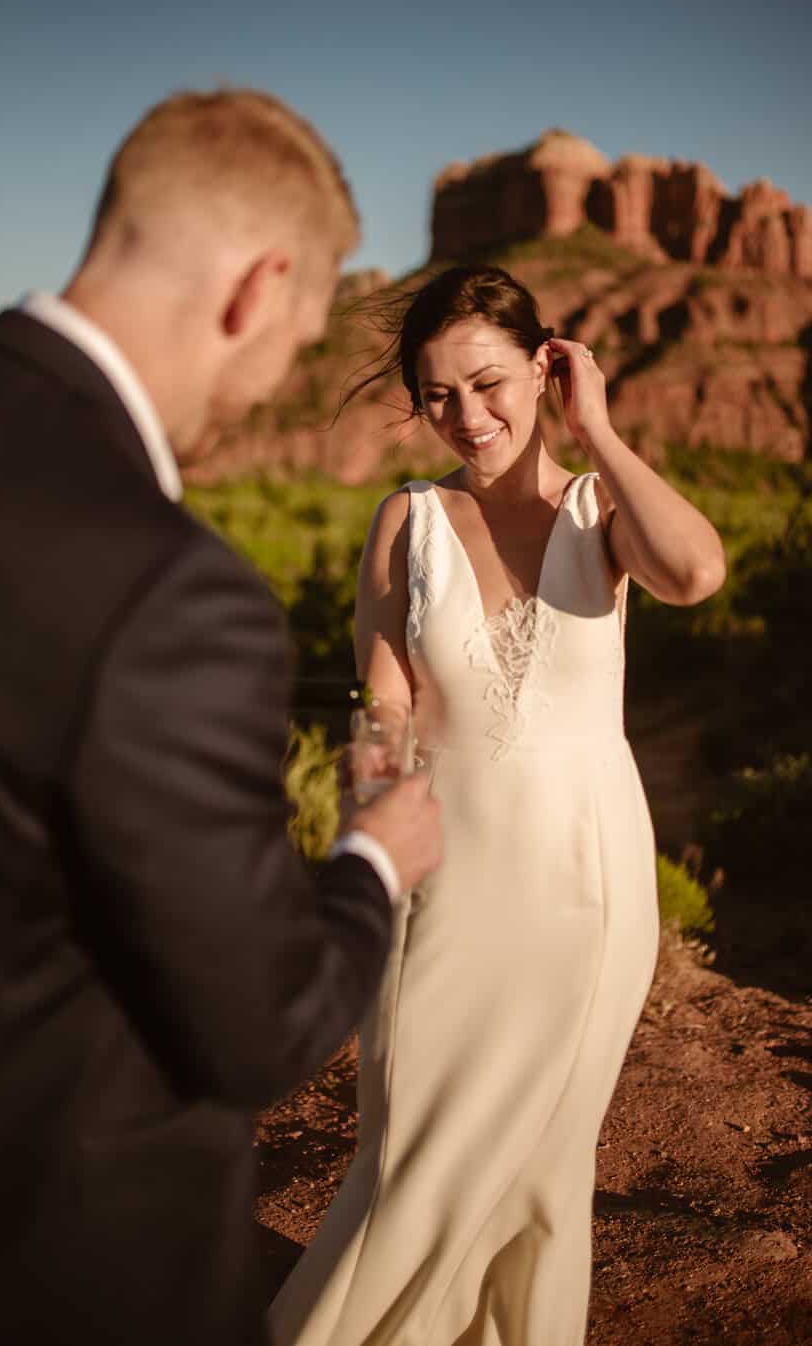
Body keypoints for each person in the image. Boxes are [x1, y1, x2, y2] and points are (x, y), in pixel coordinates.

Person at [0, 89, 442, 1346]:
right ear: (258, 290)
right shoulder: (174, 592)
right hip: (60, 1268)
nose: (261, 393)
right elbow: (258, 1020)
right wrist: (371, 858)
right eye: (292, 338)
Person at [268, 265, 726, 1345]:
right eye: (436, 396)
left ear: (545, 362)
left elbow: (697, 572)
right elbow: (382, 712)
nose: (465, 417)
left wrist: (599, 429)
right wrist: (369, 876)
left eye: (487, 382)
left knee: (543, 1162)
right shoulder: (407, 519)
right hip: (447, 873)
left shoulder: (599, 508)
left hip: (585, 877)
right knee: (413, 1138)